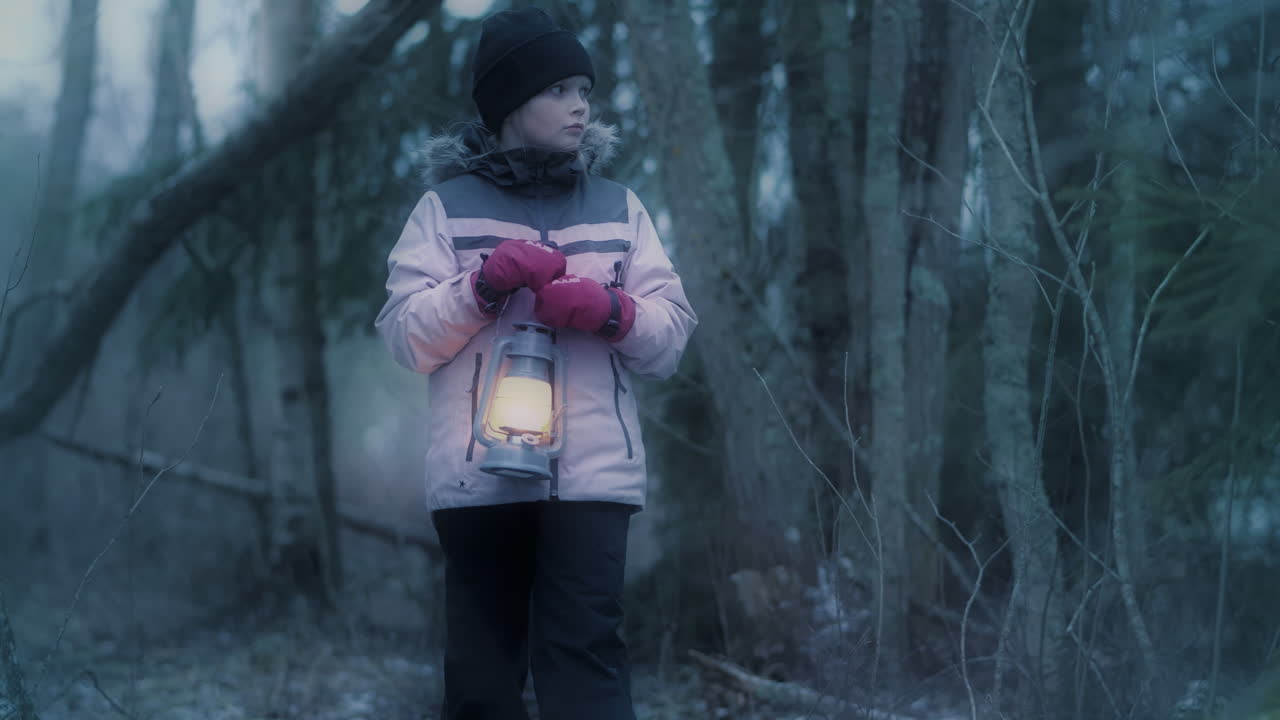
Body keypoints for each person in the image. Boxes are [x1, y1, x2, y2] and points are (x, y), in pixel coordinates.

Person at [373, 7, 697, 719]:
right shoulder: (446, 210)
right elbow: (404, 335)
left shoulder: (619, 208)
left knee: (586, 671)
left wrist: (610, 311)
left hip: (594, 484)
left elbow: (670, 340)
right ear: (510, 102)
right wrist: (483, 285)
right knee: (483, 683)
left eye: (585, 89)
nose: (581, 104)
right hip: (476, 479)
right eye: (559, 90)